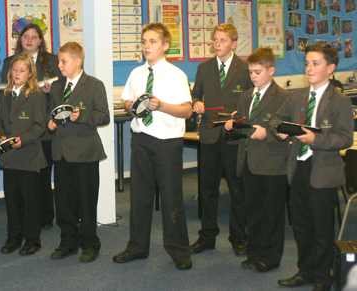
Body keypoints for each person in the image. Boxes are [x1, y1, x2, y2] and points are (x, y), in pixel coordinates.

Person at [271, 43, 353, 291]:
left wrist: (316, 139)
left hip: (323, 173)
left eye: (315, 64)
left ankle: (323, 278)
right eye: (307, 63)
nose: (309, 68)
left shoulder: (340, 101)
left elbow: (345, 138)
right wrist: (280, 131)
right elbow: (276, 119)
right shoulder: (296, 96)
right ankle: (305, 271)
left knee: (322, 229)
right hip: (298, 169)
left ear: (331, 68)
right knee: (302, 226)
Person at [112, 22, 193, 270]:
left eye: (153, 41)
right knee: (140, 197)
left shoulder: (176, 75)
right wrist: (132, 106)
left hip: (167, 143)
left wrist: (161, 106)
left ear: (165, 46)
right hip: (141, 140)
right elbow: (126, 100)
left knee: (171, 197)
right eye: (144, 41)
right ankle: (137, 246)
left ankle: (178, 250)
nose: (147, 46)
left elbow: (187, 111)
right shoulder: (136, 74)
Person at [223, 47, 290, 272]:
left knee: (271, 214)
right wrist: (232, 126)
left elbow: (287, 131)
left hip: (273, 163)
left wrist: (268, 133)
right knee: (253, 212)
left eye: (258, 72)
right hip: (249, 161)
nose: (253, 76)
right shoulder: (245, 96)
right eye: (250, 72)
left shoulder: (283, 97)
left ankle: (270, 258)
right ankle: (254, 253)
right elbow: (243, 128)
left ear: (271, 70)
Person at [190, 23, 253, 256]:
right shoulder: (204, 68)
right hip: (209, 136)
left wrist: (240, 117)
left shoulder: (245, 68)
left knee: (238, 189)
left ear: (234, 43)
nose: (217, 44)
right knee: (208, 188)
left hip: (234, 137)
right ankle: (207, 236)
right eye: (214, 40)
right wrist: (195, 102)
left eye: (222, 40)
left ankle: (238, 237)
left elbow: (250, 101)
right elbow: (196, 93)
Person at [47, 42, 110, 263]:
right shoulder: (57, 86)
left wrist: (80, 115)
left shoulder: (94, 85)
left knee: (86, 201)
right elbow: (51, 113)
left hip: (85, 153)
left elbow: (103, 117)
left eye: (63, 61)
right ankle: (68, 243)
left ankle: (90, 244)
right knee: (64, 203)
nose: (60, 65)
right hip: (61, 152)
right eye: (59, 61)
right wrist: (51, 123)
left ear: (77, 61)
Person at [1, 23, 62, 230]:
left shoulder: (52, 61)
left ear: (40, 40)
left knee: (42, 175)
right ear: (20, 39)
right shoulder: (9, 62)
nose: (29, 40)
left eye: (33, 37)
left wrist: (49, 91)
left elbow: (62, 90)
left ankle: (44, 218)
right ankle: (24, 221)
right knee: (20, 183)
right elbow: (5, 92)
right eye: (25, 36)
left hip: (43, 125)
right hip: (18, 127)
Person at [0, 53, 47, 255]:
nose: (17, 73)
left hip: (28, 157)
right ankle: (13, 237)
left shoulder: (36, 96)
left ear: (30, 73)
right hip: (9, 158)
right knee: (12, 201)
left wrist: (21, 140)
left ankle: (33, 240)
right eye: (14, 69)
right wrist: (0, 136)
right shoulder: (5, 95)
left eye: (22, 70)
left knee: (30, 202)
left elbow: (39, 126)